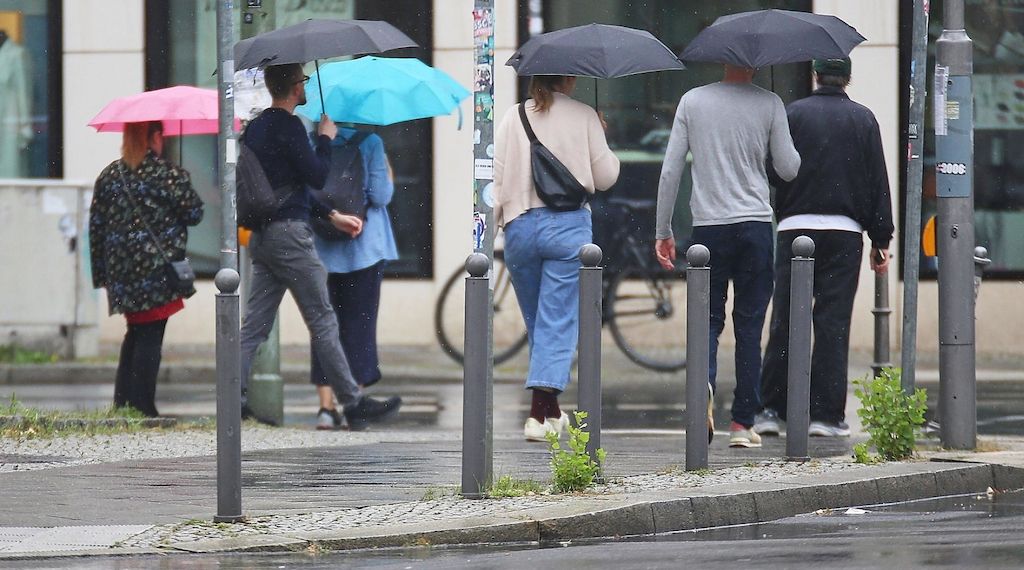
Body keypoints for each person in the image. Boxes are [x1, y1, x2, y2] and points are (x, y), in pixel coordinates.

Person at [238, 63, 401, 430]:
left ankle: (233, 397)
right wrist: (325, 138)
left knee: (254, 326)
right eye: (304, 81)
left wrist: (330, 216)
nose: (306, 86)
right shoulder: (290, 126)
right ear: (295, 87)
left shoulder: (255, 129)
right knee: (324, 320)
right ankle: (352, 402)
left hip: (263, 238)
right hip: (291, 238)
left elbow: (289, 188)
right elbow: (315, 175)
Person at [655, 64, 801, 448]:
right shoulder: (770, 103)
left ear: (721, 61)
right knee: (750, 327)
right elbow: (788, 169)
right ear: (754, 63)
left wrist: (663, 230)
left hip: (708, 229)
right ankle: (741, 423)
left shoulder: (692, 100)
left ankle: (703, 385)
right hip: (754, 226)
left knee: (707, 321)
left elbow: (671, 171)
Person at [755, 58, 894, 438]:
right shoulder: (863, 120)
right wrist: (881, 239)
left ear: (815, 75)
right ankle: (826, 415)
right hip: (844, 232)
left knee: (785, 318)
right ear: (848, 77)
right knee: (832, 323)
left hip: (794, 229)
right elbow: (876, 181)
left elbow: (774, 170)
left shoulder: (792, 114)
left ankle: (770, 408)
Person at [493, 75, 620, 442]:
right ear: (569, 77)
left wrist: (504, 223)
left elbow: (497, 180)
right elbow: (606, 176)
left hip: (520, 228)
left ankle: (551, 412)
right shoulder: (584, 116)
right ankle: (536, 413)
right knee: (558, 320)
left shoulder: (512, 116)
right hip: (567, 227)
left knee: (540, 321)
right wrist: (600, 136)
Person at [89, 120, 203, 417]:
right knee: (150, 335)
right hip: (157, 271)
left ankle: (124, 402)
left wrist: (101, 274)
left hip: (121, 273)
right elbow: (194, 213)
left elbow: (96, 227)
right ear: (154, 137)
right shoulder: (166, 174)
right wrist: (181, 176)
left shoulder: (110, 175)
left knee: (136, 331)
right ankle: (142, 405)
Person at [310, 127, 398, 430]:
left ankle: (325, 408)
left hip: (321, 248)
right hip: (365, 247)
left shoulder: (315, 140)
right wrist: (387, 169)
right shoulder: (370, 142)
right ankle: (354, 404)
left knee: (323, 326)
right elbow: (380, 196)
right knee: (359, 325)